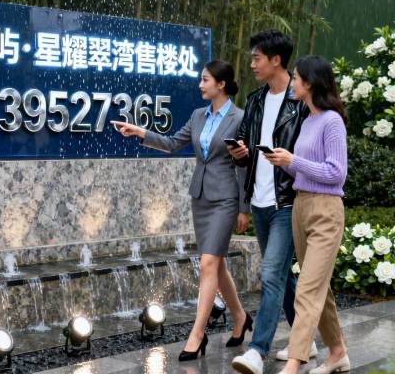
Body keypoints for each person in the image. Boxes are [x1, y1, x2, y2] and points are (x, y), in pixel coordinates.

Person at [110, 59, 253, 362]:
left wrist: (244, 207)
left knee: (208, 263)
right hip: (200, 198)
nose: (200, 85)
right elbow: (173, 143)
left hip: (226, 199)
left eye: (205, 80)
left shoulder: (240, 118)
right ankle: (240, 317)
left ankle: (197, 334)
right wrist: (140, 132)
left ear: (221, 84)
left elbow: (244, 165)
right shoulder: (198, 115)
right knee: (216, 265)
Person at [228, 30, 312, 374]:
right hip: (260, 201)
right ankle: (306, 340)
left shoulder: (301, 102)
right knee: (282, 276)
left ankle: (257, 350)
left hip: (288, 201)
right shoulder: (255, 99)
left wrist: (291, 160)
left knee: (270, 274)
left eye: (256, 58)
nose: (251, 64)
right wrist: (239, 152)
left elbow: (311, 152)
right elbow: (244, 144)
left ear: (276, 60)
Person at [264, 55, 349, 374]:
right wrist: (284, 162)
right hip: (301, 208)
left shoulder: (332, 121)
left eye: (297, 77)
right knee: (319, 289)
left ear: (310, 83)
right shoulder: (308, 120)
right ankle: (337, 352)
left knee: (307, 289)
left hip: (326, 210)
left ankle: (294, 363)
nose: (293, 82)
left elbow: (336, 173)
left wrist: (294, 161)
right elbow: (306, 168)